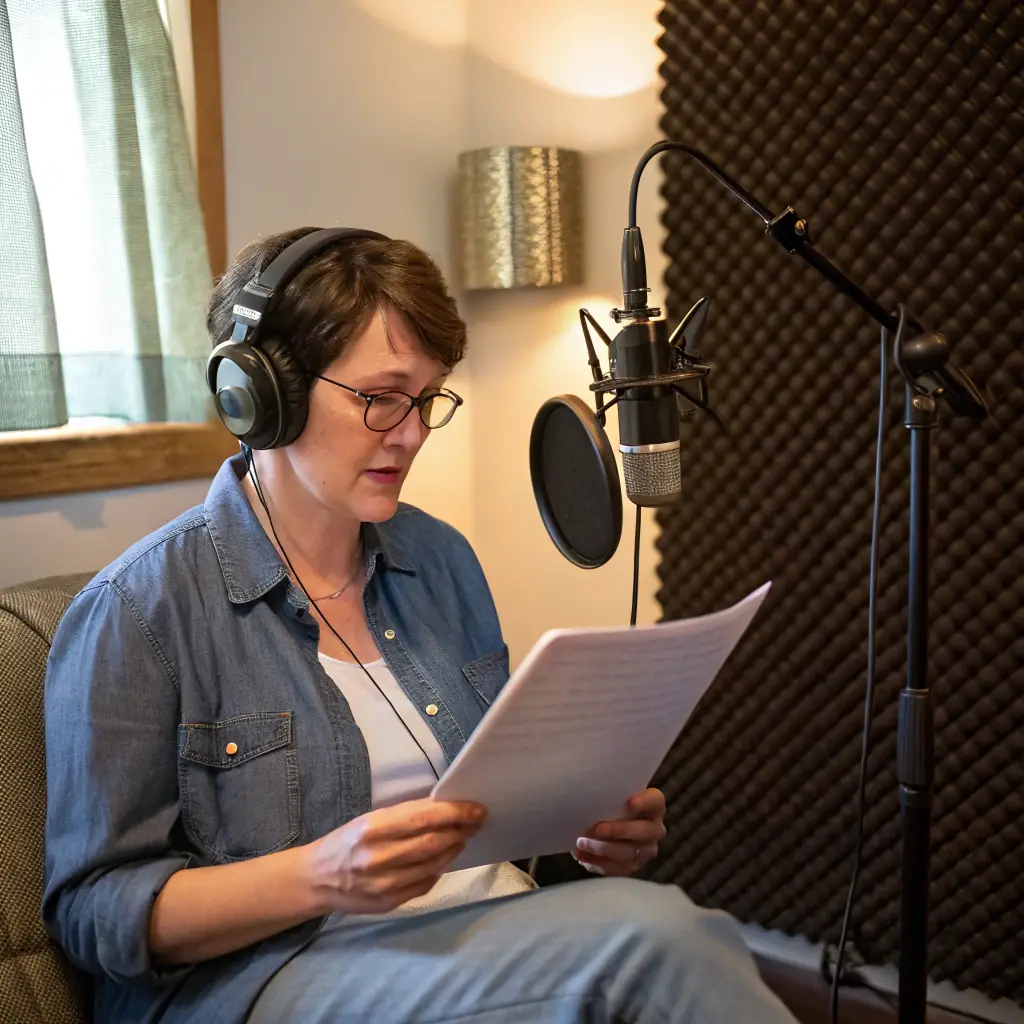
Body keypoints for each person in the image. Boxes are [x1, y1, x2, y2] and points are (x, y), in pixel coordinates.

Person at [43, 227, 796, 1023]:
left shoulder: (438, 560)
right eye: (380, 398)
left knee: (655, 928)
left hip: (483, 929)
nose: (412, 433)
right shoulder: (139, 609)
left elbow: (499, 812)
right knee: (655, 938)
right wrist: (321, 875)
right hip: (271, 973)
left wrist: (585, 827)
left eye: (427, 398)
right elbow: (94, 912)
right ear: (261, 395)